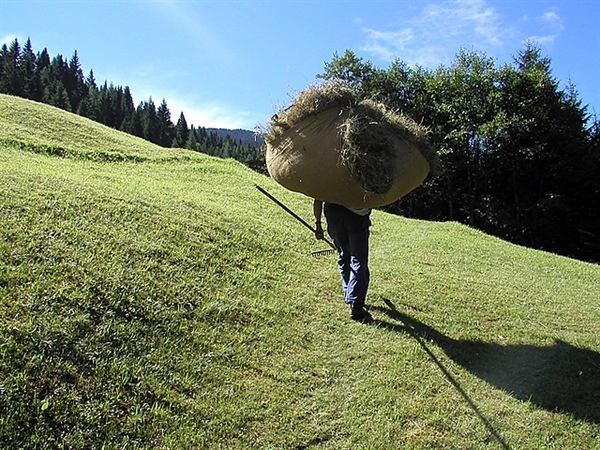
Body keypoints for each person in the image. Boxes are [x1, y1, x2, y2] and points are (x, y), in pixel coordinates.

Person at [313, 199, 372, 320]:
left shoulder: (327, 178)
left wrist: (318, 223)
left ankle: (350, 295)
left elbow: (317, 195)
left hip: (333, 212)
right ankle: (356, 304)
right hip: (357, 214)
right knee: (358, 258)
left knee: (344, 255)